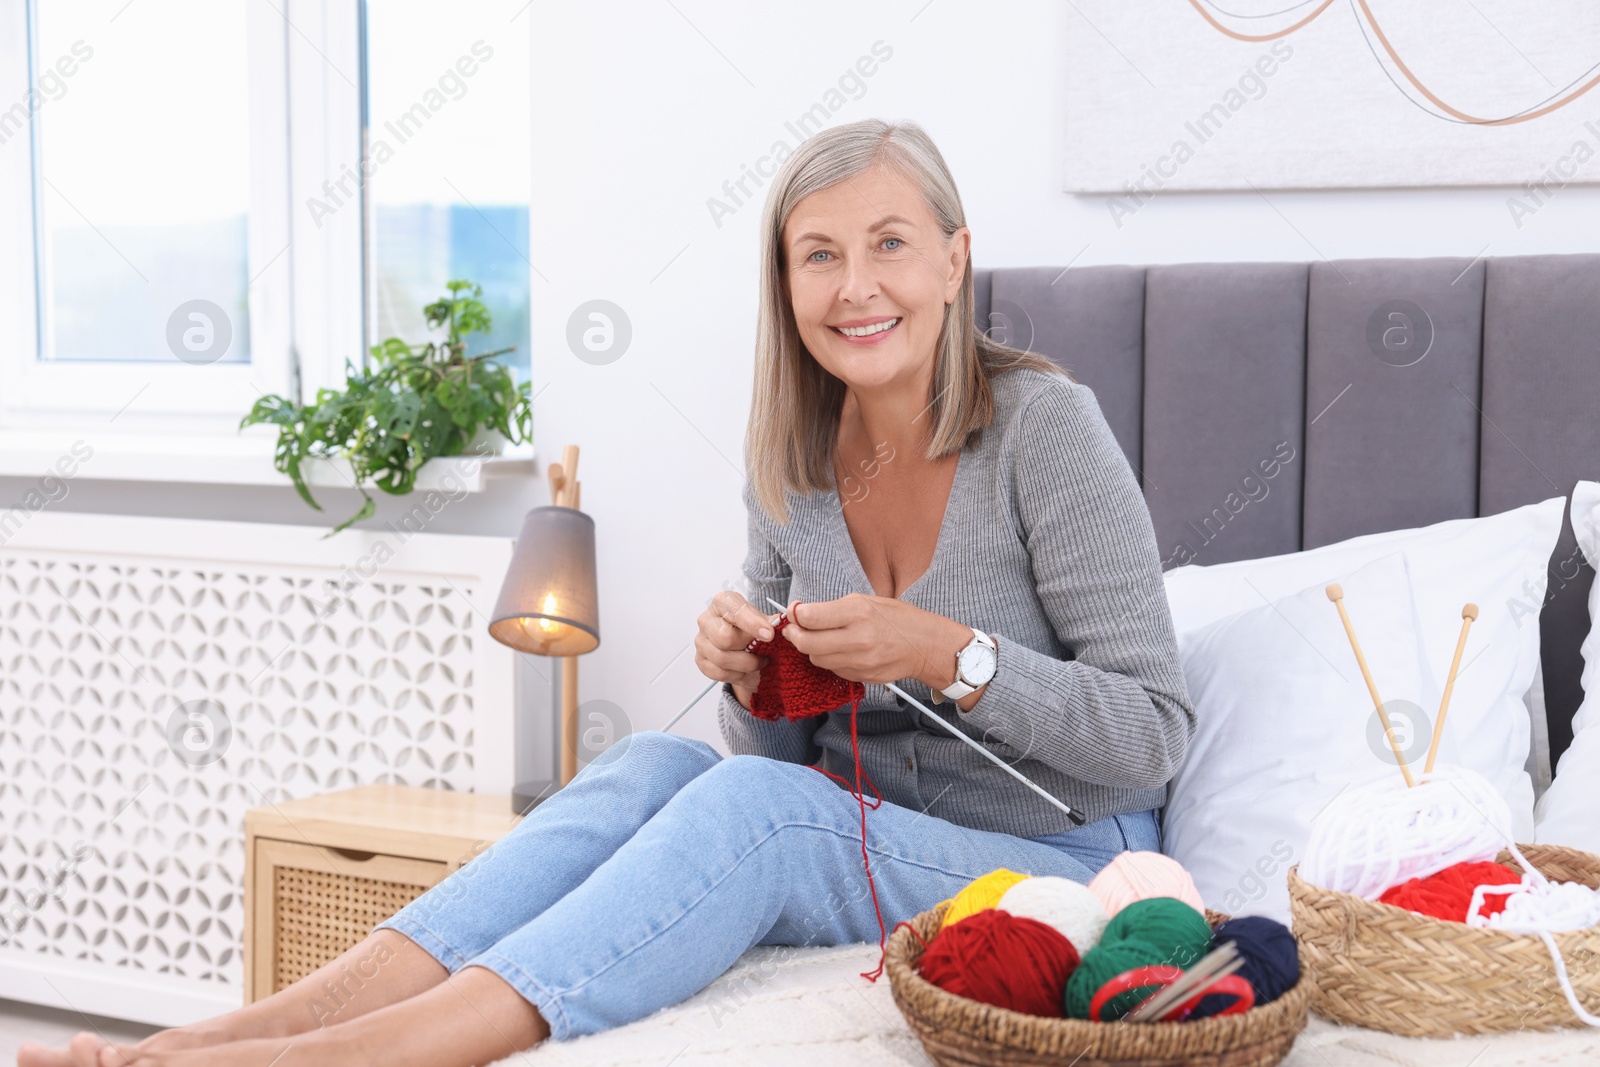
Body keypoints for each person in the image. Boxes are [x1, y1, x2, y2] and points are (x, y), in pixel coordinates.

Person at [20, 118, 1194, 1067]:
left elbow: (1150, 740)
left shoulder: (1045, 430)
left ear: (953, 259)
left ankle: (364, 1055)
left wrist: (944, 650)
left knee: (756, 819)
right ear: (785, 280)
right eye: (818, 253)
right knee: (649, 766)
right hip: (871, 837)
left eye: (889, 243)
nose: (854, 285)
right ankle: (241, 1028)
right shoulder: (789, 455)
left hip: (1063, 857)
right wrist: (749, 677)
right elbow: (774, 765)